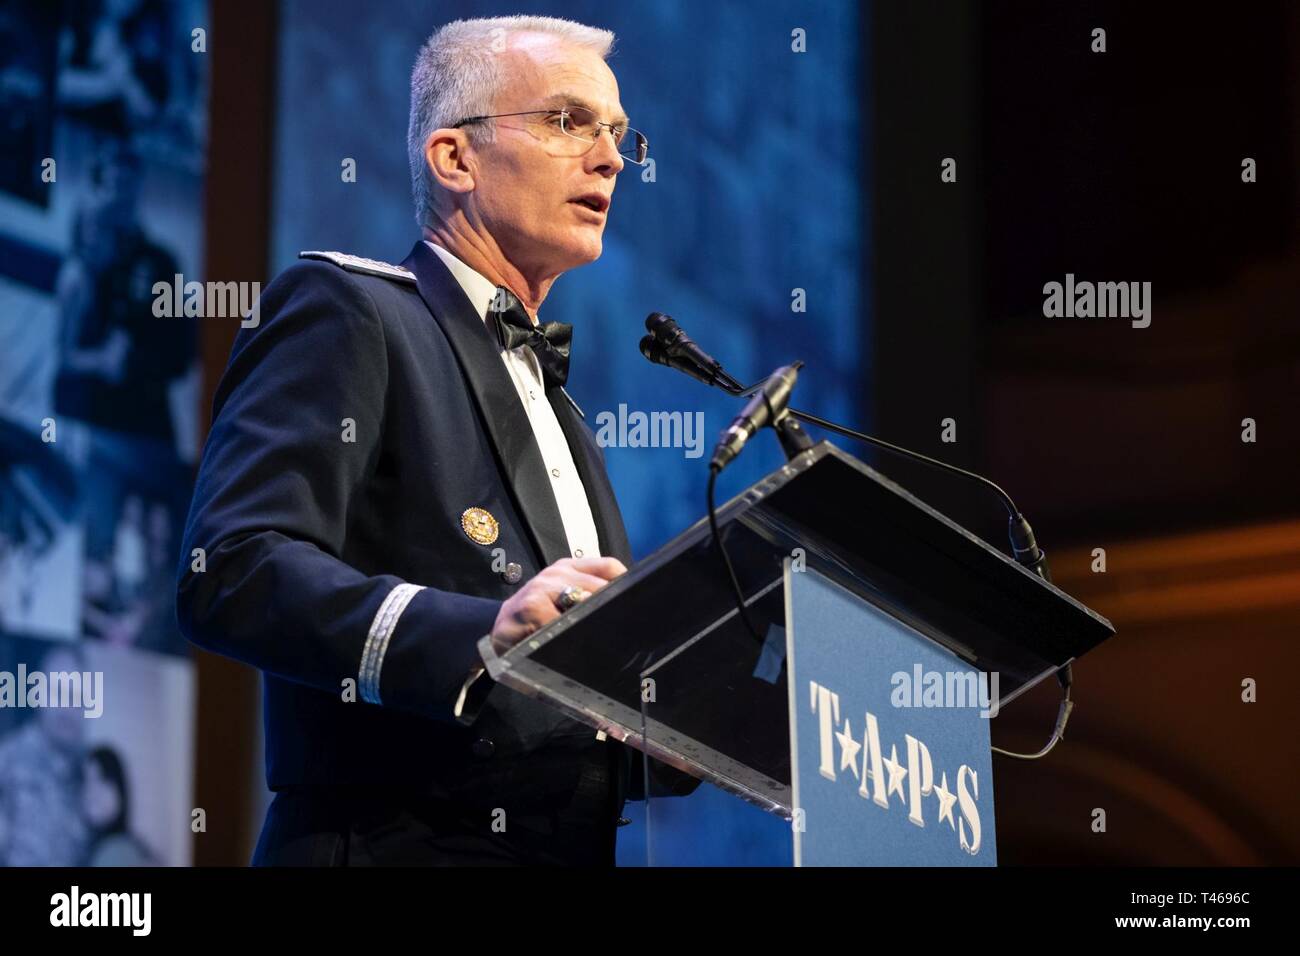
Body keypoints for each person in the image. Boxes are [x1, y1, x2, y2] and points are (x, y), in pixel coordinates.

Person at [177, 15, 694, 867]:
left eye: (616, 134)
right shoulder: (349, 311)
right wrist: (478, 631)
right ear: (455, 158)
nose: (609, 158)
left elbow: (551, 706)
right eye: (569, 122)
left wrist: (672, 725)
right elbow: (231, 569)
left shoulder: (562, 415)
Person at [81, 745, 157, 866]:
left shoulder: (117, 853)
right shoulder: (103, 848)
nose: (92, 792)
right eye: (86, 781)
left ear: (120, 789)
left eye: (103, 780)